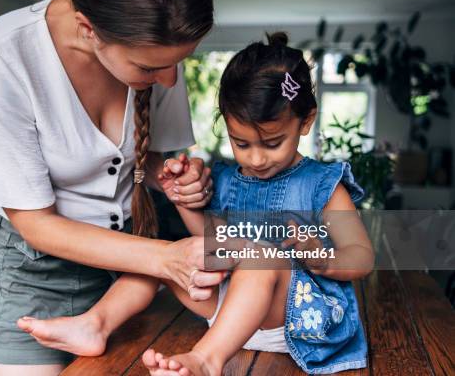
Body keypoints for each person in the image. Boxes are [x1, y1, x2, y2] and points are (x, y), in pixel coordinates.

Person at [19, 32, 375, 375]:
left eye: (272, 144)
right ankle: (95, 324)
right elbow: (216, 243)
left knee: (263, 261)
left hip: (296, 318)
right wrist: (182, 197)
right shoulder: (226, 178)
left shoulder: (323, 185)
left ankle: (206, 359)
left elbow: (361, 256)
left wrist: (323, 258)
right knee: (161, 257)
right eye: (242, 143)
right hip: (230, 313)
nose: (256, 159)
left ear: (306, 122)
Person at [0, 0, 223, 374]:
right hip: (36, 268)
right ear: (89, 29)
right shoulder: (2, 57)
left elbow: (149, 155)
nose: (169, 79)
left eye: (178, 63)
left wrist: (177, 176)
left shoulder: (159, 53)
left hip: (131, 267)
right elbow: (36, 224)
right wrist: (164, 258)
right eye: (148, 69)